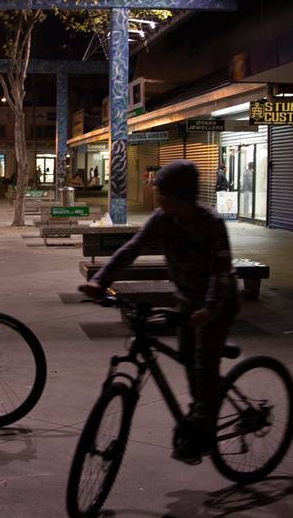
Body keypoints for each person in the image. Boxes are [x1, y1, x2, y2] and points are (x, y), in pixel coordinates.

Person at [78, 159, 238, 463]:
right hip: (187, 301)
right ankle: (200, 409)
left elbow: (221, 273)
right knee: (189, 360)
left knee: (202, 367)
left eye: (164, 192)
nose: (159, 197)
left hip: (218, 304)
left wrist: (209, 309)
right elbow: (132, 249)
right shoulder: (162, 219)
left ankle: (203, 430)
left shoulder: (211, 224)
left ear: (182, 195)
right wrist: (101, 281)